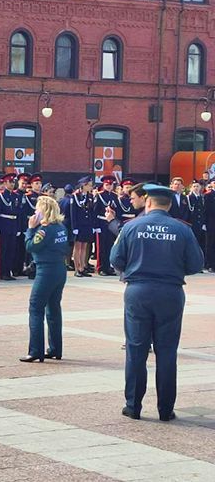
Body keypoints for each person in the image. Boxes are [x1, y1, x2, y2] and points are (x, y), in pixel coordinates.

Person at [111, 184, 204, 421]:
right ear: (170, 204)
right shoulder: (182, 230)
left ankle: (133, 406)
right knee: (166, 351)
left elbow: (115, 259)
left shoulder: (132, 226)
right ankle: (165, 409)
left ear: (148, 202)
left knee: (135, 349)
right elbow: (195, 264)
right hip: (170, 292)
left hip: (138, 291)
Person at [20, 195, 70, 362]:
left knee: (35, 308)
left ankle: (35, 350)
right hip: (59, 270)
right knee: (54, 308)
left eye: (38, 209)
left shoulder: (44, 230)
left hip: (45, 270)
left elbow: (30, 246)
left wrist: (30, 229)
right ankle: (56, 348)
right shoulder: (61, 227)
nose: (35, 212)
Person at [0, 174, 20, 280]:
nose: (12, 184)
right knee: (3, 250)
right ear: (5, 183)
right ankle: (2, 272)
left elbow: (18, 213)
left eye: (13, 182)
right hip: (4, 224)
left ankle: (8, 271)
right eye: (10, 182)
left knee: (11, 250)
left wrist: (18, 228)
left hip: (13, 224)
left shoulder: (15, 196)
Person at [70, 177, 95, 277]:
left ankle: (83, 267)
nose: (91, 187)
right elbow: (73, 213)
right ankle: (77, 268)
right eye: (89, 185)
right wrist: (74, 227)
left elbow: (91, 211)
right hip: (79, 225)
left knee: (84, 246)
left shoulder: (90, 196)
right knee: (78, 247)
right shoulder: (75, 196)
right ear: (83, 185)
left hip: (87, 224)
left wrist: (92, 225)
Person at [94, 175, 119, 276]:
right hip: (101, 222)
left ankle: (108, 266)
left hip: (111, 223)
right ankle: (101, 267)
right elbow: (95, 211)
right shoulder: (99, 195)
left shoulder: (114, 196)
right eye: (107, 185)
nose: (109, 186)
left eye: (110, 185)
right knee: (101, 247)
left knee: (110, 245)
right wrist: (96, 226)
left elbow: (117, 210)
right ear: (103, 185)